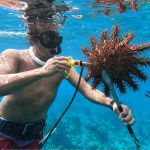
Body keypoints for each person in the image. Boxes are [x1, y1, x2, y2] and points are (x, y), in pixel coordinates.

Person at [0, 18, 135, 149]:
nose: (55, 47)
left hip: (35, 135)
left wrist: (112, 104)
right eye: (49, 40)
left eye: (58, 40)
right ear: (33, 39)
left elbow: (87, 89)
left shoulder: (63, 65)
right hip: (4, 132)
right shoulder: (13, 56)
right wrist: (43, 71)